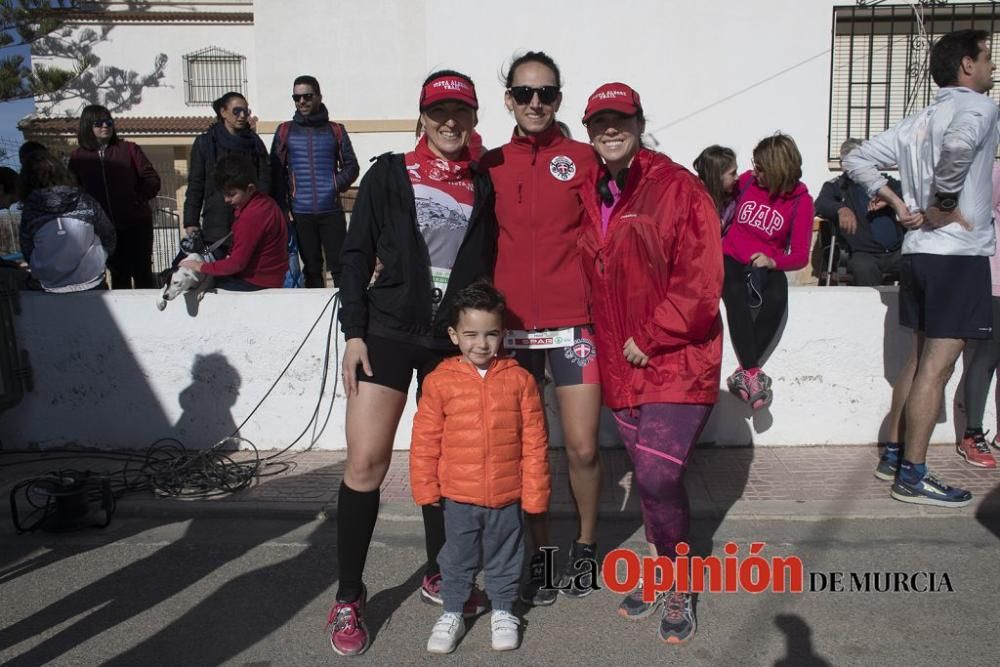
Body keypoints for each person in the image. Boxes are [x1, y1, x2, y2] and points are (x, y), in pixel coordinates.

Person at [331, 69, 497, 657]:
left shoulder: (484, 183)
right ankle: (349, 595)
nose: (450, 121)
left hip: (449, 340)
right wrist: (354, 333)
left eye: (461, 111)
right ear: (422, 114)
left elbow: (487, 265)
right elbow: (354, 257)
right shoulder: (388, 173)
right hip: (386, 333)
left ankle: (439, 574)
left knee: (444, 463)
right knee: (367, 463)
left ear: (475, 118)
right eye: (439, 110)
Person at [578, 82, 723, 645]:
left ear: (639, 123)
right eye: (599, 122)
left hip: (678, 358)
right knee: (651, 483)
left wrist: (655, 333)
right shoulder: (594, 190)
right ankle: (665, 568)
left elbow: (702, 281)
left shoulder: (678, 188)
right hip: (620, 363)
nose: (610, 130)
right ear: (588, 131)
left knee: (661, 474)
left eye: (621, 119)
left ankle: (681, 581)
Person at [844, 29, 998, 507]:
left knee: (918, 359)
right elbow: (956, 151)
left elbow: (856, 157)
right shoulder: (978, 108)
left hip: (918, 253)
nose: (993, 68)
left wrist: (895, 200)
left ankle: (894, 454)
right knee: (938, 366)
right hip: (956, 255)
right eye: (988, 59)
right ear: (967, 66)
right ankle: (913, 474)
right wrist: (942, 203)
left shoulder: (918, 120)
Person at [479, 50, 601, 605]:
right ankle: (538, 554)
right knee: (526, 450)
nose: (535, 102)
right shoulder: (491, 163)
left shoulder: (582, 157)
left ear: (558, 98)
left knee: (580, 448)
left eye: (546, 93)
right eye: (524, 93)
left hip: (573, 327)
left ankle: (584, 545)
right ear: (508, 97)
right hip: (511, 331)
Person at [411, 282, 550, 654]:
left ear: (502, 334)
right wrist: (426, 490)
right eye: (471, 334)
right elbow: (425, 440)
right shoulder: (439, 381)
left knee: (507, 557)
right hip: (458, 496)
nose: (481, 344)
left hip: (508, 495)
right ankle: (453, 611)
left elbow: (535, 442)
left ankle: (504, 610)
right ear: (454, 335)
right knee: (456, 559)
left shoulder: (520, 380)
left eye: (490, 334)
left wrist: (534, 494)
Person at [720, 133, 814, 410]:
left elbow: (798, 256)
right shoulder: (748, 181)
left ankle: (743, 373)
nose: (754, 171)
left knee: (777, 298)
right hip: (729, 255)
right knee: (734, 291)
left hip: (766, 263)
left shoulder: (801, 202)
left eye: (761, 167)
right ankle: (751, 371)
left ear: (777, 169)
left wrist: (773, 262)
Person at [270, 75, 360, 288]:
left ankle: (345, 316)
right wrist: (283, 206)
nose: (302, 101)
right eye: (296, 97)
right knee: (311, 270)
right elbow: (275, 171)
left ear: (319, 96)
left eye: (307, 96)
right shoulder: (285, 130)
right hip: (300, 213)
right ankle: (315, 316)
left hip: (331, 211)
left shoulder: (335, 130)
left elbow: (352, 166)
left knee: (340, 268)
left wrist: (332, 186)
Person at [68, 104, 161, 289]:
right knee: (119, 275)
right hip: (104, 227)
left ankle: (150, 314)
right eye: (99, 123)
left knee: (142, 272)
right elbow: (73, 190)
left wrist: (137, 199)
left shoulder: (129, 149)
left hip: (136, 224)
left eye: (109, 122)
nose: (105, 126)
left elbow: (151, 179)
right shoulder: (78, 158)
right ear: (88, 126)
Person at [179, 155, 287, 291]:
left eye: (231, 194)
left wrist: (200, 267)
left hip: (255, 282)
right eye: (224, 194)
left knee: (204, 287)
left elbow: (237, 264)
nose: (226, 200)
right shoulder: (265, 203)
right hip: (271, 278)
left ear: (250, 189)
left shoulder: (251, 217)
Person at [183, 91, 270, 258]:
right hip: (216, 222)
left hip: (249, 218)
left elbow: (264, 181)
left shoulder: (255, 144)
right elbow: (196, 183)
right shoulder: (206, 143)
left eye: (246, 111)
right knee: (215, 268)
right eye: (237, 111)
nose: (242, 115)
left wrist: (263, 213)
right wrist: (191, 221)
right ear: (223, 112)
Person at [18, 150, 115, 292]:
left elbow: (27, 249)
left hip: (48, 284)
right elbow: (108, 234)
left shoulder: (30, 211)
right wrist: (100, 258)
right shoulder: (85, 201)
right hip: (91, 280)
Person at [956, 160, 1000, 469]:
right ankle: (972, 434)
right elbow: (972, 219)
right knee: (986, 357)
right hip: (994, 280)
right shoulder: (994, 174)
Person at [814, 138, 905, 286]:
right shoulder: (837, 186)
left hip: (896, 251)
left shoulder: (883, 182)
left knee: (918, 261)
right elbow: (820, 204)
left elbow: (907, 191)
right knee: (863, 268)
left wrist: (890, 199)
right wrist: (840, 209)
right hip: (864, 254)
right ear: (842, 165)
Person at [693, 144, 739, 228]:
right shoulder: (694, 200)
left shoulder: (730, 201)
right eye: (732, 173)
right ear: (716, 176)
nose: (737, 177)